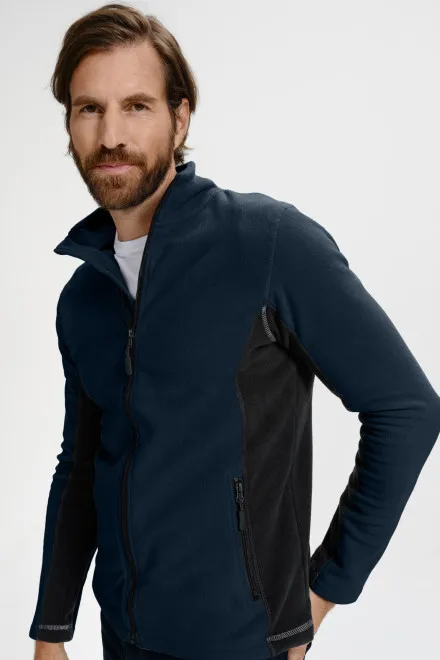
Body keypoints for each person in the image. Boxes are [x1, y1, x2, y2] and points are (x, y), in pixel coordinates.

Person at [29, 4, 440, 660]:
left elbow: (407, 409)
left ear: (180, 117)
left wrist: (320, 594)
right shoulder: (84, 298)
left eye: (136, 106)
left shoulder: (268, 245)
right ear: (70, 124)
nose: (110, 134)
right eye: (89, 109)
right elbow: (80, 465)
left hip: (242, 643)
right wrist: (52, 628)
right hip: (122, 638)